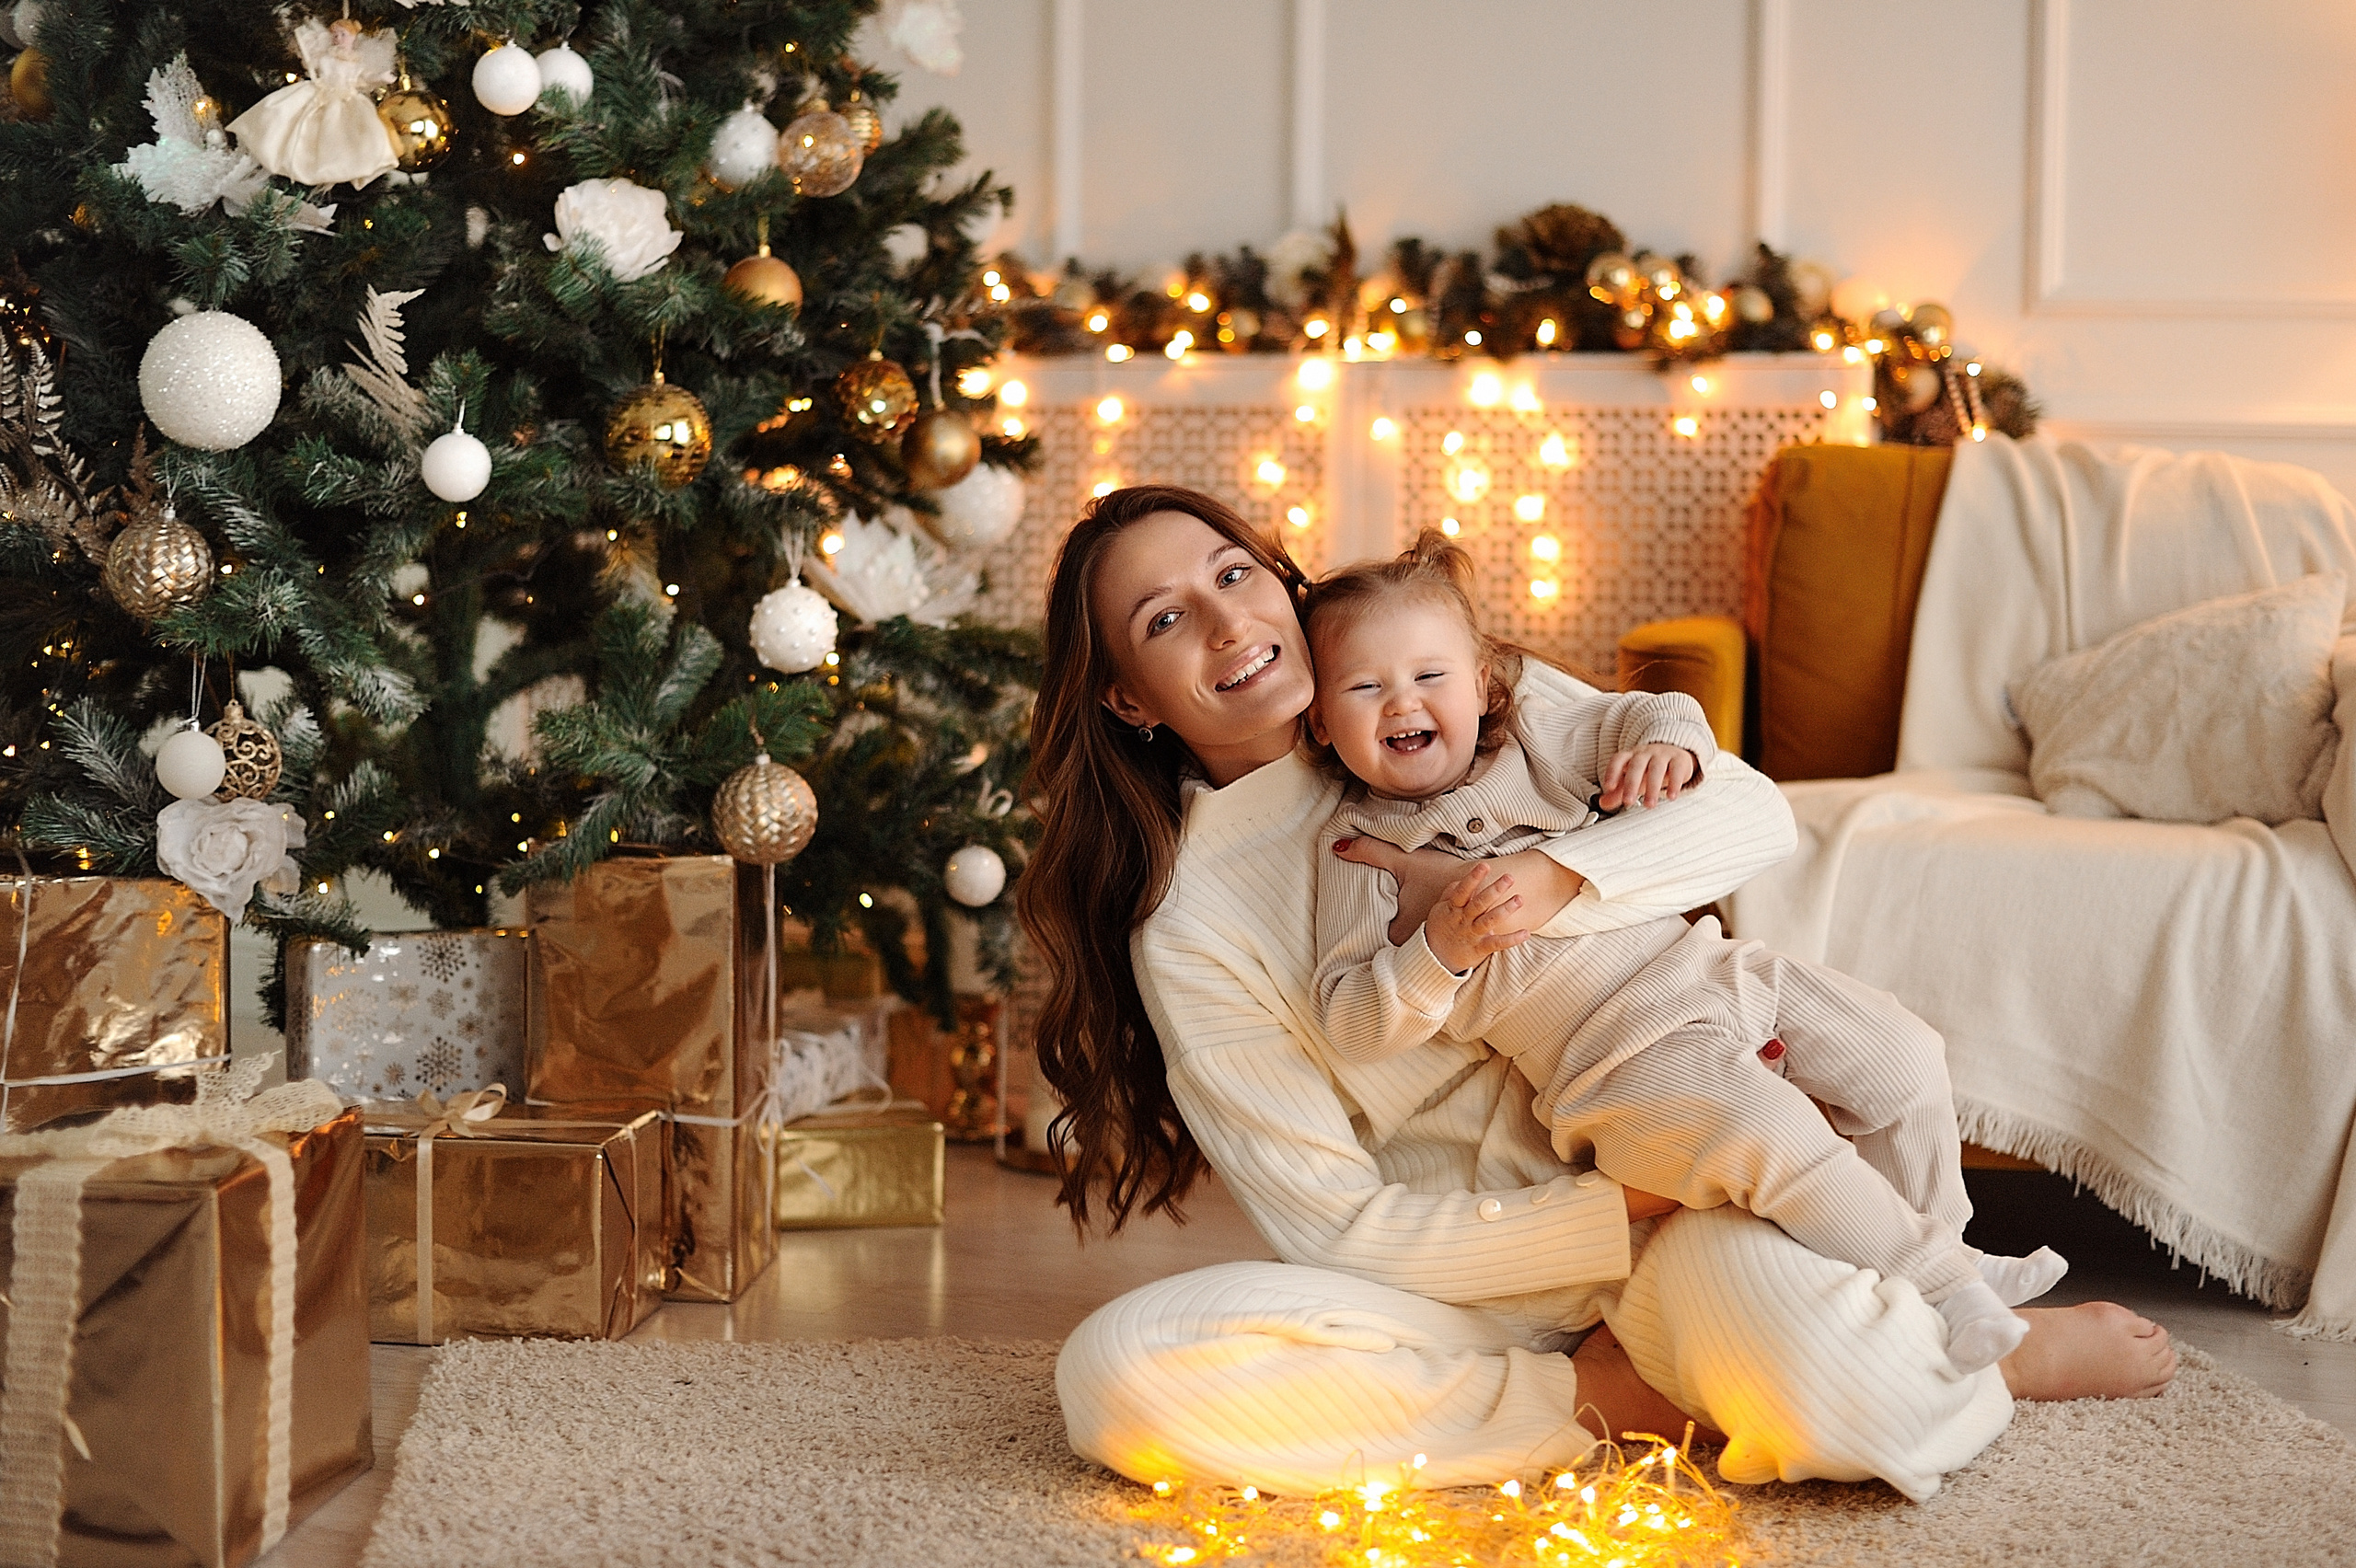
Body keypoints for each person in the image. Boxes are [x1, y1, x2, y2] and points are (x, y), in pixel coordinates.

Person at [1020, 484, 2176, 1504]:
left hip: (1694, 1201)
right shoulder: (1191, 928)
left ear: (1278, 580)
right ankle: (1603, 1400)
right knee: (1122, 1373)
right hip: (1504, 1282)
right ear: (1130, 700)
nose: (1226, 621)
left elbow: (1741, 813)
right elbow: (1335, 1225)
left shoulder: (1445, 694)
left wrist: (1544, 881)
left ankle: (1948, 1322)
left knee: (1856, 1403)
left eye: (1231, 574)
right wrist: (1615, 1210)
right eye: (1164, 618)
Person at [1301, 532, 2062, 1378]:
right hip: (1619, 1062)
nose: (1402, 703)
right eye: (1365, 688)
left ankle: (1940, 1241)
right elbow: (1349, 1019)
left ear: (1482, 685)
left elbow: (1648, 708)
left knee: (1903, 1057)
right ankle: (1943, 1290)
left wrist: (1672, 747)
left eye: (1428, 676)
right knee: (1775, 1135)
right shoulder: (1358, 848)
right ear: (1322, 724)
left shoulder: (1534, 746)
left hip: (1715, 970)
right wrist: (1436, 953)